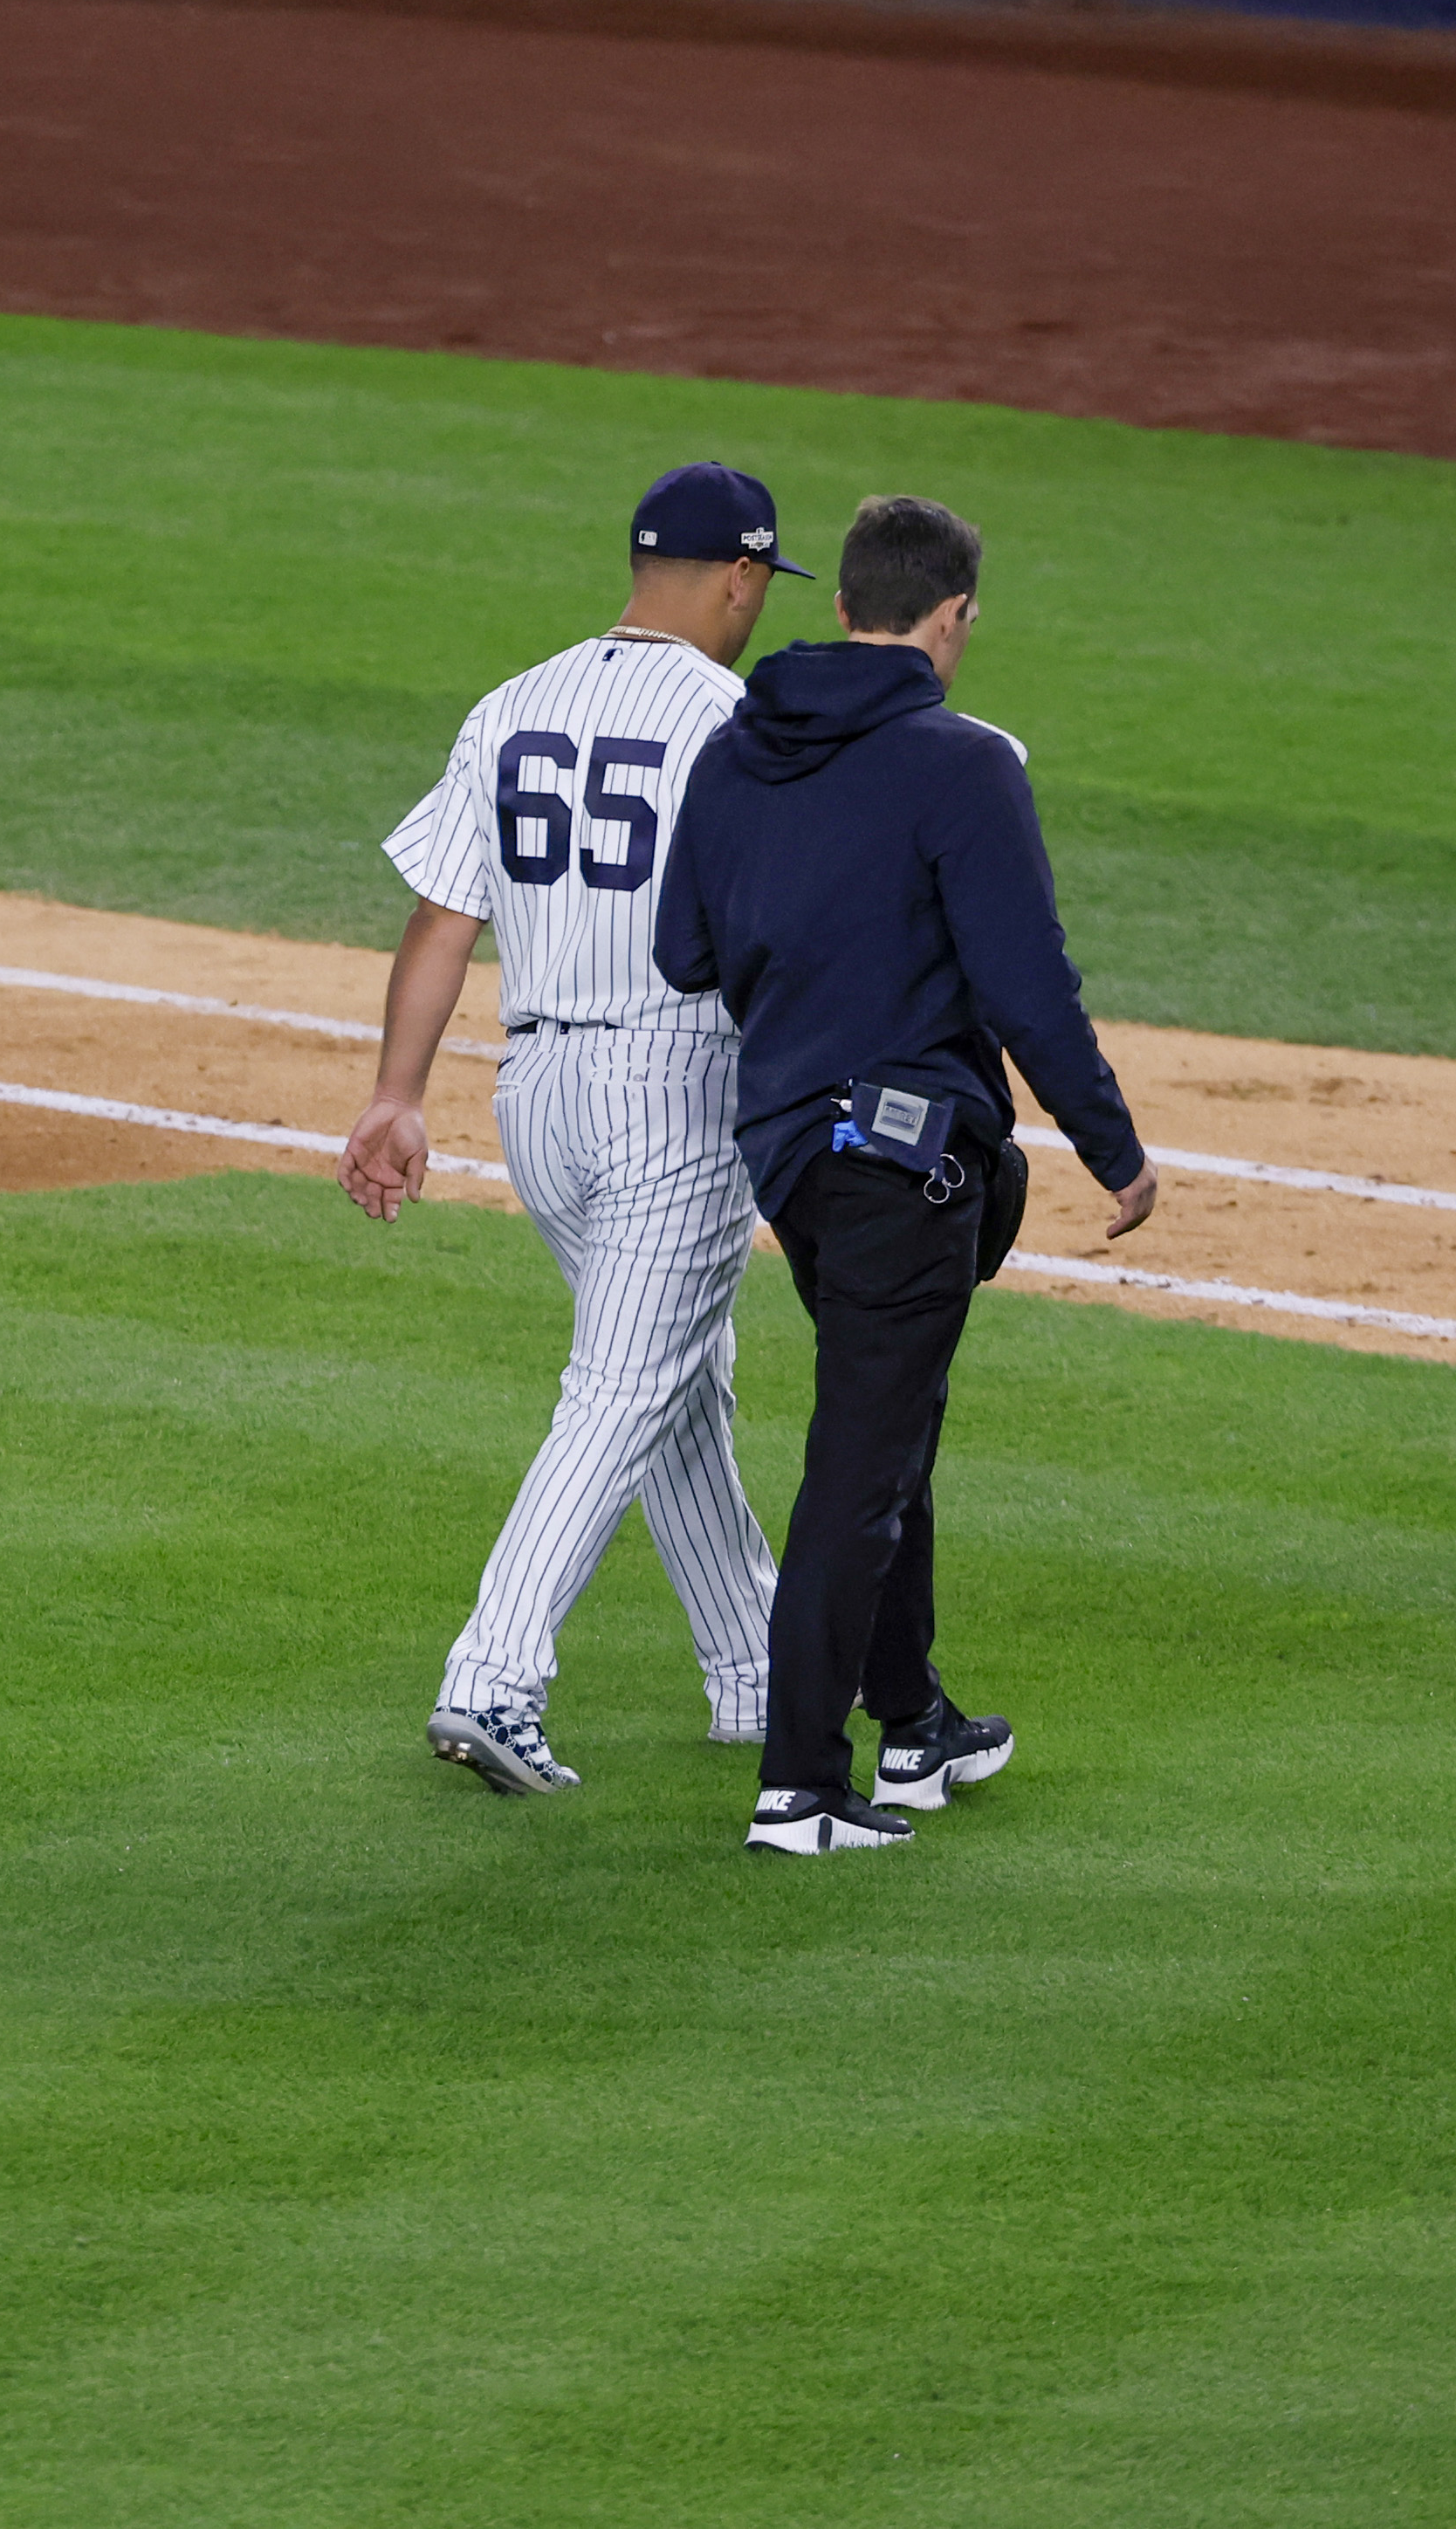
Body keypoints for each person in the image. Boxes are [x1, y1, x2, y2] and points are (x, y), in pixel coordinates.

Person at [654, 496, 1157, 1858]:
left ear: (840, 606)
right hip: (910, 1163)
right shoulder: (961, 763)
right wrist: (1112, 1145)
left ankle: (916, 1720)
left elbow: (685, 953)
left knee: (892, 1428)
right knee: (861, 1463)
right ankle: (800, 1787)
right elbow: (1026, 987)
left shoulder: (733, 748)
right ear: (953, 618)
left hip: (793, 1161)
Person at [344, 462, 802, 1796]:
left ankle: (756, 1667)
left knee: (674, 1381)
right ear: (739, 577)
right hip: (672, 1090)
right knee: (622, 1388)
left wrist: (394, 1095)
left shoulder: (514, 704)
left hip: (531, 1092)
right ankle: (492, 1678)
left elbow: (444, 918)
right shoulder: (737, 720)